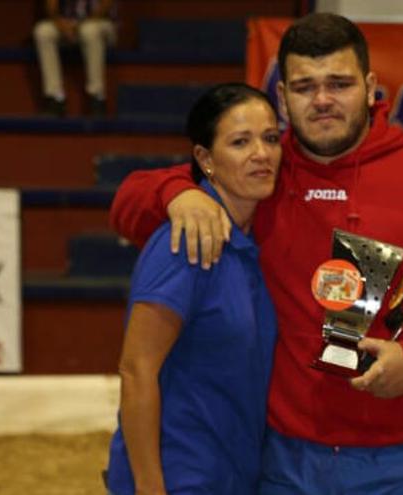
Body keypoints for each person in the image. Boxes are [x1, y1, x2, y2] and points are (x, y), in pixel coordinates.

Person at [110, 13, 403, 494]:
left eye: (339, 83)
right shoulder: (262, 173)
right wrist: (175, 193)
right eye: (305, 87)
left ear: (370, 87)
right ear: (283, 97)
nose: (323, 100)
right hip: (285, 463)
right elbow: (128, 205)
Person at [104, 83, 281, 495]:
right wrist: (150, 488)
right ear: (205, 158)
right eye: (241, 142)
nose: (261, 153)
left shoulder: (253, 243)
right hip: (180, 478)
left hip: (234, 475)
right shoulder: (185, 243)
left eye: (270, 138)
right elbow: (136, 370)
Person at [33, 0, 115, 117]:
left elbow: (106, 6)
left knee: (89, 30)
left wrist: (79, 25)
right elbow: (51, 5)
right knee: (43, 32)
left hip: (100, 22)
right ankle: (55, 98)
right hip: (68, 23)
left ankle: (97, 97)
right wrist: (61, 24)